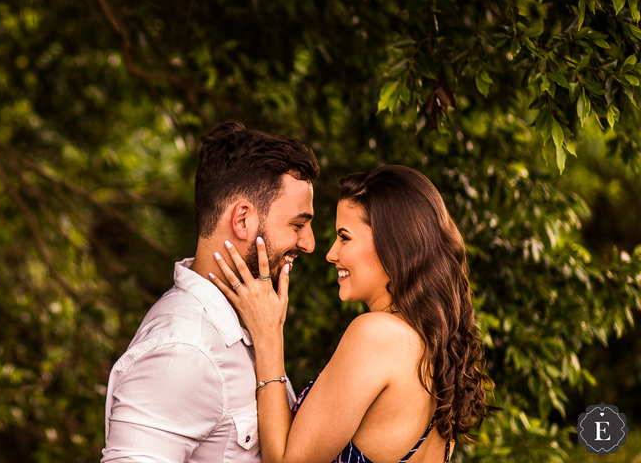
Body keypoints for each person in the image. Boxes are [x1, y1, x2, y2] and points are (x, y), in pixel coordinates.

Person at [209, 165, 495, 463]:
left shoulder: (377, 335)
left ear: (393, 245)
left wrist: (268, 334)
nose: (331, 253)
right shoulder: (430, 348)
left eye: (344, 237)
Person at [102, 122, 320, 463]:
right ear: (243, 220)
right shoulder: (183, 348)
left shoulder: (249, 321)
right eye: (298, 224)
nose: (309, 243)